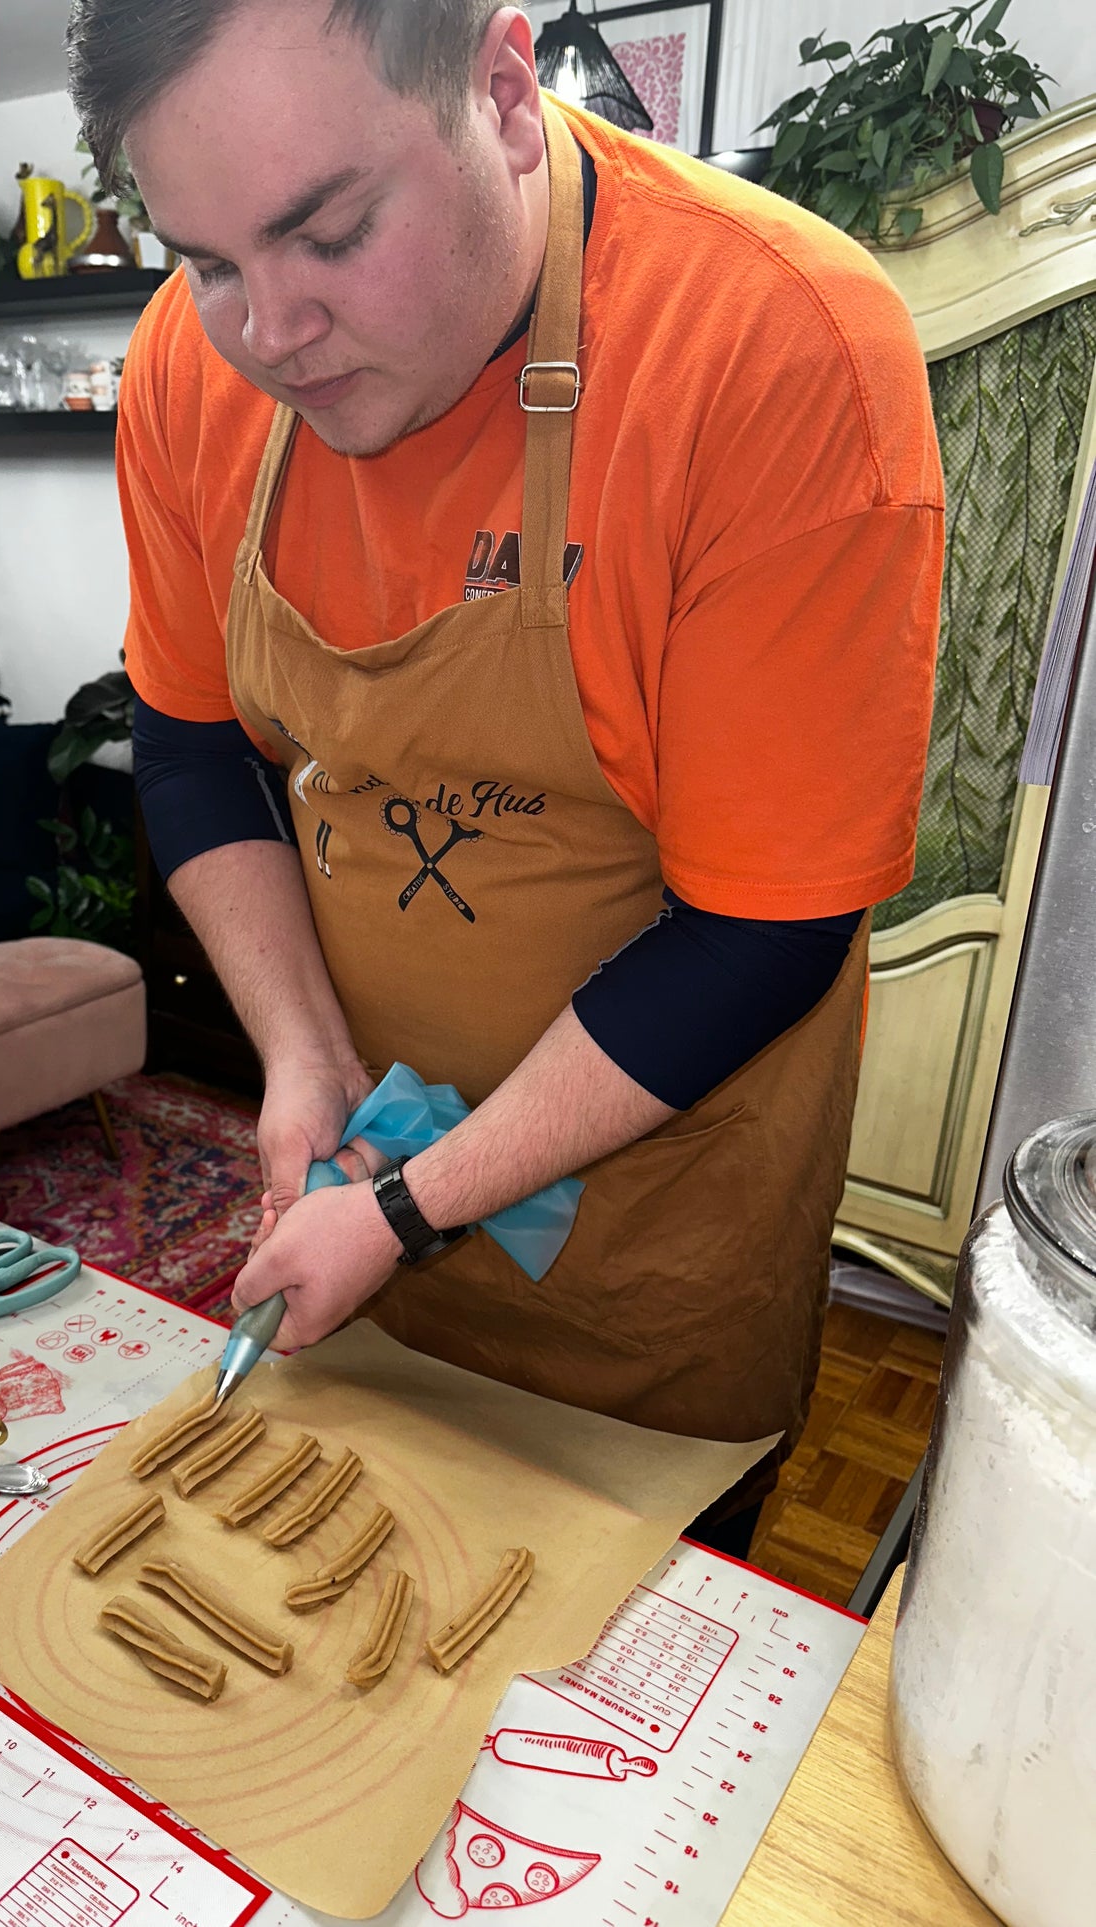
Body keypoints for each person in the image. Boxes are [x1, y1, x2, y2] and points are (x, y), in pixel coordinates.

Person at [71, 0, 943, 1556]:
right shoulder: (190, 375)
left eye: (329, 234)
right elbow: (192, 737)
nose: (267, 334)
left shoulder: (773, 347)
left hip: (648, 1230)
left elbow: (762, 932)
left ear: (501, 87)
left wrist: (412, 1204)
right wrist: (300, 1057)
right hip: (358, 1172)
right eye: (203, 261)